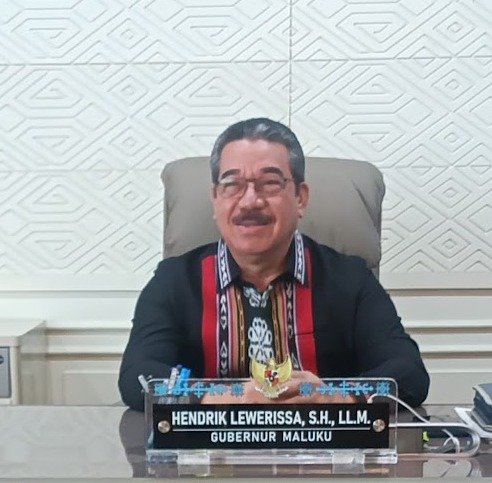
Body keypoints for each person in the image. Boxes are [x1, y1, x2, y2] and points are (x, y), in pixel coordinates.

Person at [118, 118, 429, 411]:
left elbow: (409, 374)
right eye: (232, 184)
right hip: (211, 448)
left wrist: (330, 395)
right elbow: (138, 378)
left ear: (301, 198)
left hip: (321, 446)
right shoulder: (175, 281)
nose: (250, 201)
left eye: (270, 183)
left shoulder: (349, 278)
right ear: (215, 199)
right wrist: (224, 398)